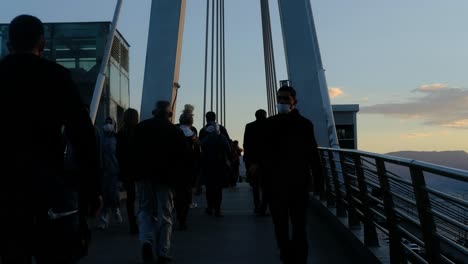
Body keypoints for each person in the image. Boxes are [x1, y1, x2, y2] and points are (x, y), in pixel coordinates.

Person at [0, 15, 101, 263]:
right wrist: (92, 189)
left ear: (8, 44)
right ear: (42, 44)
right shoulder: (56, 76)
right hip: (47, 186)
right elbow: (83, 136)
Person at [260, 86, 324, 264]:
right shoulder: (270, 124)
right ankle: (288, 255)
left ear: (294, 101)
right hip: (277, 183)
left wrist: (319, 180)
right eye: (279, 99)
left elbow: (312, 154)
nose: (282, 102)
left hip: (297, 183)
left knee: (299, 226)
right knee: (280, 225)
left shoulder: (304, 125)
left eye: (285, 99)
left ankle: (297, 258)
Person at [132, 101, 187, 264]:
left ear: (154, 111)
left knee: (145, 211)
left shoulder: (141, 128)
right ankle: (163, 251)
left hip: (144, 177)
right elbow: (182, 158)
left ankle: (146, 241)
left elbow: (132, 152)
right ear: (169, 114)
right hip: (166, 179)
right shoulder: (175, 132)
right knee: (165, 215)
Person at [174, 104, 201, 230]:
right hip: (189, 169)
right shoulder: (194, 134)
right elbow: (197, 154)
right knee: (187, 193)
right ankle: (183, 219)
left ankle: (177, 213)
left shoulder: (174, 131)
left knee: (176, 193)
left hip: (175, 167)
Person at [200, 122, 232, 217]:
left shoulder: (204, 139)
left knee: (209, 188)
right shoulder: (222, 138)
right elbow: (228, 149)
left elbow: (200, 151)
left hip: (207, 165)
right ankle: (217, 209)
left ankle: (210, 207)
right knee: (218, 189)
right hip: (219, 165)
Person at [117, 108, 140, 234]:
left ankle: (132, 223)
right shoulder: (139, 132)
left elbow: (118, 154)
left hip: (126, 170)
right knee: (141, 197)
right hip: (139, 169)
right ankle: (142, 220)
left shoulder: (121, 134)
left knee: (130, 199)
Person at [97, 117, 123, 229]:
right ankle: (104, 219)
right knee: (105, 195)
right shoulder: (100, 139)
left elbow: (121, 156)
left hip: (115, 171)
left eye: (110, 123)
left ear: (114, 125)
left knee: (113, 194)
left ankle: (116, 209)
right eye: (106, 123)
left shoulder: (117, 139)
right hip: (103, 172)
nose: (108, 125)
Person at [243, 109, 269, 215]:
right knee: (266, 186)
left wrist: (248, 161)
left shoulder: (249, 126)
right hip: (267, 161)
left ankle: (257, 207)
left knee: (255, 186)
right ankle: (263, 208)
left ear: (255, 116)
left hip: (253, 162)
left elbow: (246, 144)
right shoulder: (270, 125)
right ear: (265, 115)